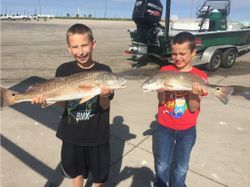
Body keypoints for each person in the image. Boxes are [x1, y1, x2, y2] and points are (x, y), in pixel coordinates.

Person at [31, 23, 114, 187]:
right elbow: (64, 103)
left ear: (93, 44)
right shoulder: (63, 69)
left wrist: (105, 95)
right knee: (76, 172)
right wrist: (46, 100)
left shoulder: (104, 71)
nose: (81, 51)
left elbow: (104, 106)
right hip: (71, 134)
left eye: (84, 45)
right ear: (69, 48)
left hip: (97, 135)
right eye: (75, 47)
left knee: (99, 176)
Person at [154, 32, 208, 187]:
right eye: (174, 53)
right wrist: (161, 91)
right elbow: (162, 101)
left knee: (181, 166)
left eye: (182, 54)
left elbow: (192, 108)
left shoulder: (200, 76)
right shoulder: (165, 70)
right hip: (164, 126)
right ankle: (161, 184)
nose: (177, 58)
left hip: (187, 129)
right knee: (162, 162)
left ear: (193, 53)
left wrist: (193, 93)